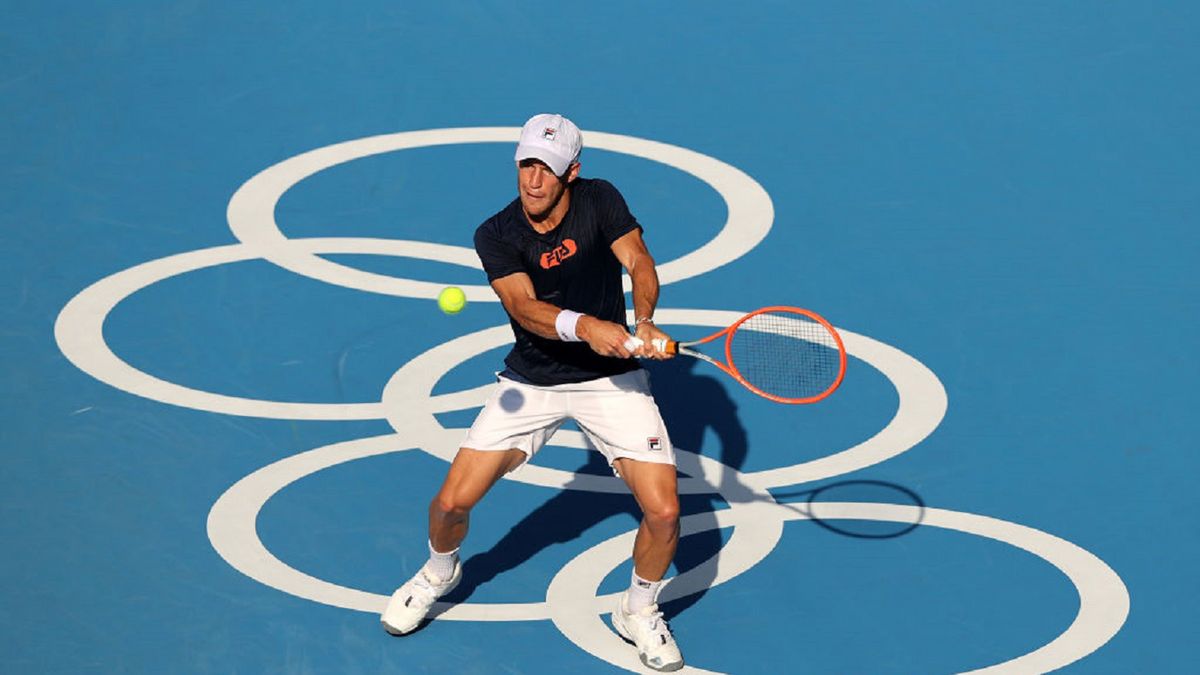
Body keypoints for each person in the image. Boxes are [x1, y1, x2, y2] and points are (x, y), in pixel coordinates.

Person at [381, 113, 685, 672]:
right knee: (450, 503)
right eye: (525, 164)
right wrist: (590, 327)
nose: (532, 179)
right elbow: (525, 310)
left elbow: (638, 260)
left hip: (610, 382)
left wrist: (642, 320)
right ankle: (438, 572)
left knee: (665, 512)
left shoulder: (600, 200)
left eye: (545, 167)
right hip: (532, 382)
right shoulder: (495, 235)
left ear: (571, 171)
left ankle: (638, 610)